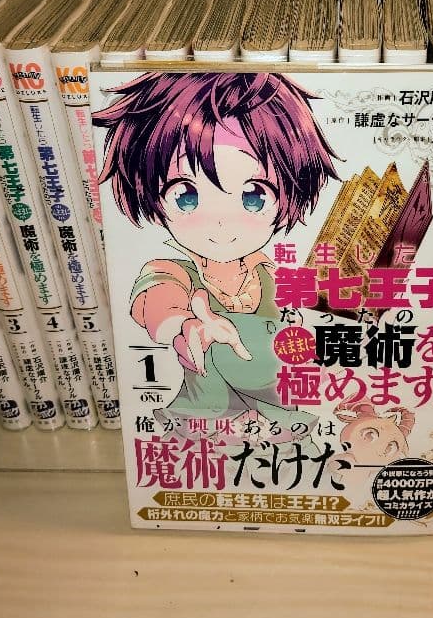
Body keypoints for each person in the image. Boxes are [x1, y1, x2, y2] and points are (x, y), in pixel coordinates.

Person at [95, 72, 340, 446]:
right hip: (209, 423)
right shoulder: (173, 271)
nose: (221, 223)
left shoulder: (272, 271)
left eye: (254, 196)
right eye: (186, 196)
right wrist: (185, 326)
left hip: (280, 419)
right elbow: (157, 303)